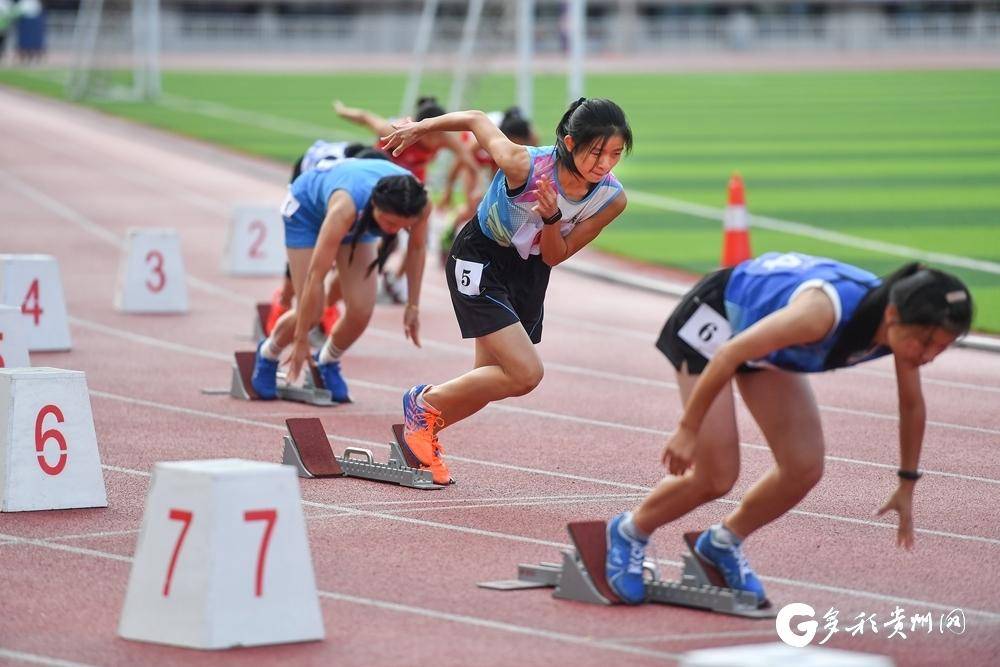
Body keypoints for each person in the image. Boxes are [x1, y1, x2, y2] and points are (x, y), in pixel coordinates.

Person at [603, 253, 974, 605]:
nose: (926, 356)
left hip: (765, 348)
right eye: (924, 343)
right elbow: (730, 353)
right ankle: (629, 531)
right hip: (716, 323)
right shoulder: (821, 315)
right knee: (716, 475)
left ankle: (721, 543)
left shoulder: (903, 333)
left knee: (803, 467)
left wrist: (907, 483)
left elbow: (911, 405)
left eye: (939, 348)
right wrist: (688, 428)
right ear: (893, 313)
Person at [380, 97, 632, 484]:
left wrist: (552, 218)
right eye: (596, 152)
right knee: (525, 373)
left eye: (615, 154)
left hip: (529, 270)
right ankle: (423, 403)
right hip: (481, 257)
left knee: (489, 377)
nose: (604, 164)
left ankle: (425, 429)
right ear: (569, 144)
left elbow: (554, 255)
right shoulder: (524, 164)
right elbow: (477, 119)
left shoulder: (610, 199)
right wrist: (421, 128)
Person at [251, 157, 431, 403]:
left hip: (359, 221)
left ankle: (327, 361)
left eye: (401, 227)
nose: (391, 231)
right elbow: (317, 275)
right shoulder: (345, 207)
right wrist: (301, 339)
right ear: (375, 205)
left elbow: (417, 249)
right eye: (389, 223)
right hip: (307, 214)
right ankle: (268, 353)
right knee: (313, 309)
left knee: (361, 309)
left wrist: (413, 305)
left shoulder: (419, 204)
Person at [334, 97, 479, 303]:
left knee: (420, 236)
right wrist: (343, 110)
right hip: (383, 180)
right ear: (420, 128)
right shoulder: (395, 131)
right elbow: (367, 118)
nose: (438, 140)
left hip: (412, 183)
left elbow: (469, 163)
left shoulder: (445, 138)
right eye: (433, 134)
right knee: (384, 238)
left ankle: (395, 279)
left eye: (440, 132)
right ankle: (356, 269)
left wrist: (471, 191)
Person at [439, 107, 539, 261]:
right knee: (473, 203)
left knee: (501, 199)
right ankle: (449, 230)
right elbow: (461, 160)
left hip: (500, 157)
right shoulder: (484, 139)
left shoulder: (531, 139)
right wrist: (449, 190)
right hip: (473, 155)